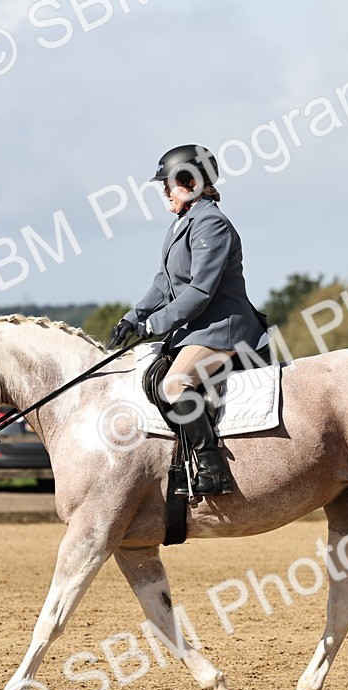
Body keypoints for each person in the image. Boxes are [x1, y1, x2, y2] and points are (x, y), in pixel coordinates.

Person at [108, 144, 270, 496]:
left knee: (175, 385)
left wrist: (154, 325)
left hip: (223, 329)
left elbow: (200, 291)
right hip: (197, 329)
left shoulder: (211, 224)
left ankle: (213, 470)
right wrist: (132, 317)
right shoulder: (183, 222)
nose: (165, 192)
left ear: (191, 183)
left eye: (169, 184)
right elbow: (163, 283)